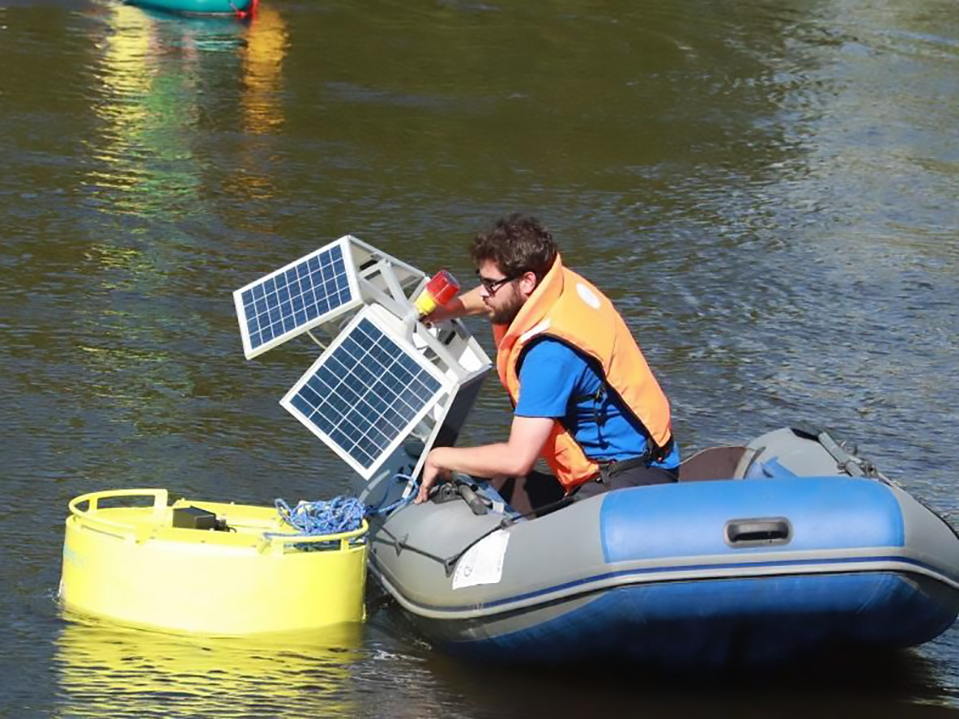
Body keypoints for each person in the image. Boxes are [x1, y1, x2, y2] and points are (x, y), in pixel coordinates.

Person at [414, 214, 679, 512]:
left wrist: (440, 457)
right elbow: (498, 292)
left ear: (527, 281)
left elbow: (518, 458)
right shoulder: (556, 283)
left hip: (629, 481)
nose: (484, 293)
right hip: (651, 458)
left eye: (489, 284)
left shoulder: (548, 354)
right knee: (490, 484)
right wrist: (447, 310)